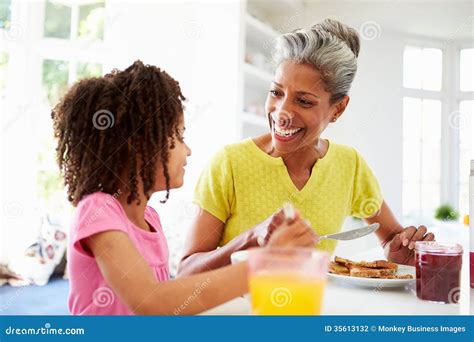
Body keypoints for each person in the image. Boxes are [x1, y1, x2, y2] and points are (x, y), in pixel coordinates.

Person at [52, 60, 318, 315]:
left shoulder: (150, 220)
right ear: (138, 146)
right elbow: (152, 301)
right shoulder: (98, 211)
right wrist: (267, 263)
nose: (188, 150)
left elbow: (173, 302)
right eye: (178, 136)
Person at [179, 19, 435, 276]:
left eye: (303, 101)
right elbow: (187, 272)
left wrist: (400, 252)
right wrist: (251, 239)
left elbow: (391, 239)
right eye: (276, 93)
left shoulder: (349, 165)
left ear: (338, 108)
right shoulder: (229, 164)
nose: (282, 114)